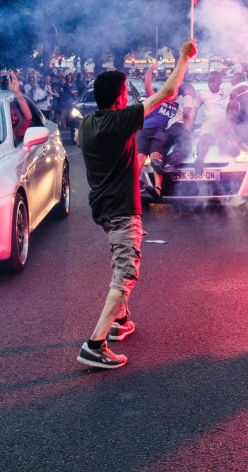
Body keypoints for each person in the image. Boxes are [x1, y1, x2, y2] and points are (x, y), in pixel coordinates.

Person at [76, 38, 196, 370]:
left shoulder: (88, 125)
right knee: (125, 273)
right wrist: (183, 58)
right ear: (119, 99)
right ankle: (94, 345)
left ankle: (120, 321)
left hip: (104, 209)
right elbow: (167, 93)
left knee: (121, 260)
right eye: (126, 93)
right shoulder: (119, 122)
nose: (130, 96)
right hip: (120, 210)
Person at [136, 64, 179, 201]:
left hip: (161, 132)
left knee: (156, 157)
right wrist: (149, 71)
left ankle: (157, 188)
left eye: (175, 91)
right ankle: (132, 186)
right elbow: (148, 87)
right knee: (141, 156)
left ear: (177, 97)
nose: (172, 92)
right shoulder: (158, 100)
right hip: (144, 129)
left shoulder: (178, 108)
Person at [165, 81, 197, 168]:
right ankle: (169, 164)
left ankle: (162, 161)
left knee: (181, 145)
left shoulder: (187, 100)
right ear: (187, 91)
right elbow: (186, 115)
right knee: (186, 146)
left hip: (175, 127)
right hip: (178, 125)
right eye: (193, 89)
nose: (195, 92)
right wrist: (188, 131)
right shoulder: (188, 97)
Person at [7, 72, 32, 143]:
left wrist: (17, 92)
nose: (14, 118)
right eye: (11, 116)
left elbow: (27, 118)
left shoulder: (14, 134)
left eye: (15, 115)